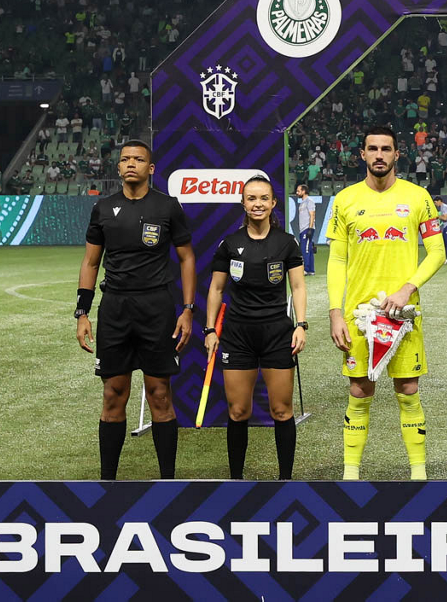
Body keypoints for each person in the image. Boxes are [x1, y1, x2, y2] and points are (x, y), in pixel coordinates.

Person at [327, 126, 445, 480]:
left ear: (397, 154)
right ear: (362, 154)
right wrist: (335, 313)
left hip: (404, 315)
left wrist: (407, 289)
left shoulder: (418, 197)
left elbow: (437, 253)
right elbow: (337, 260)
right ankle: (350, 475)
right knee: (359, 391)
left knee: (408, 390)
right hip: (359, 315)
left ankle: (418, 475)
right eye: (373, 149)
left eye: (386, 149)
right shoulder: (344, 199)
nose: (379, 155)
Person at [75, 139, 196, 480]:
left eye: (139, 159)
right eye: (126, 159)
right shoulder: (103, 208)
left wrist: (188, 309)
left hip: (156, 308)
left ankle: (167, 481)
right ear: (118, 167)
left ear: (150, 168)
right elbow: (90, 262)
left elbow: (187, 258)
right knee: (113, 394)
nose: (131, 164)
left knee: (160, 394)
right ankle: (108, 482)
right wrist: (82, 313)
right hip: (115, 309)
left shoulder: (168, 207)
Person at [205, 176, 307, 480]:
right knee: (238, 411)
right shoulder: (229, 244)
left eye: (264, 198)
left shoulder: (286, 243)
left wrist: (301, 325)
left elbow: (298, 287)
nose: (258, 204)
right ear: (243, 203)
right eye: (251, 198)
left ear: (273, 203)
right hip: (238, 336)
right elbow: (216, 289)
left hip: (277, 334)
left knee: (282, 411)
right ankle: (236, 481)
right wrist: (210, 330)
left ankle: (285, 480)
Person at [295, 183, 317, 275]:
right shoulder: (302, 203)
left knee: (305, 249)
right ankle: (311, 270)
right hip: (303, 229)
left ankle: (306, 269)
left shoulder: (309, 201)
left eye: (298, 191)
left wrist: (310, 229)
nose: (297, 193)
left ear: (304, 191)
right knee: (309, 249)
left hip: (307, 228)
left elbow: (312, 214)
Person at [434, 196, 447, 264]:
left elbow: (445, 218)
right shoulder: (442, 207)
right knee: (445, 244)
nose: (435, 204)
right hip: (446, 227)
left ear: (439, 201)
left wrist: (437, 216)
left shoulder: (444, 206)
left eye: (435, 202)